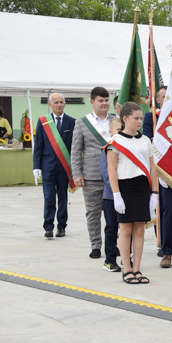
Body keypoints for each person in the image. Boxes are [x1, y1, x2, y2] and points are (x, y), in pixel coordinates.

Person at [107, 102, 159, 284]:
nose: (139, 122)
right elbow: (111, 170)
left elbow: (152, 168)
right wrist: (116, 194)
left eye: (141, 118)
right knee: (126, 229)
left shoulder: (146, 140)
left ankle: (137, 269)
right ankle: (126, 269)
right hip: (124, 187)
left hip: (142, 187)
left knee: (139, 229)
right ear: (125, 118)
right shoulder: (115, 142)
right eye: (136, 118)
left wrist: (155, 192)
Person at [71, 87, 113, 259]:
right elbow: (76, 150)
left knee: (114, 213)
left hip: (113, 175)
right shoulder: (81, 123)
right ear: (92, 102)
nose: (104, 103)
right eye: (100, 100)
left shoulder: (116, 121)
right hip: (91, 174)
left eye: (106, 100)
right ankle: (96, 245)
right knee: (93, 212)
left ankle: (113, 244)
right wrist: (76, 173)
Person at [33, 93, 76, 238]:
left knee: (63, 197)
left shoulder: (72, 122)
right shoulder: (43, 121)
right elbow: (38, 144)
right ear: (50, 104)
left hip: (64, 167)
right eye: (56, 102)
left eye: (61, 102)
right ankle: (48, 226)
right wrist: (36, 166)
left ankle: (62, 226)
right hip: (48, 165)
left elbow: (75, 147)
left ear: (65, 104)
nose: (59, 105)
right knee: (49, 197)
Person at [100, 117, 122, 272]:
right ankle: (109, 260)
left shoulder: (129, 147)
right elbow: (106, 174)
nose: (121, 132)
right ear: (111, 132)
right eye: (118, 130)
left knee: (128, 229)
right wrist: (117, 192)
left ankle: (127, 258)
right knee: (111, 227)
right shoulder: (108, 148)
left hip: (128, 195)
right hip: (111, 196)